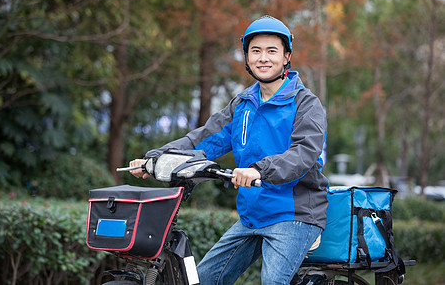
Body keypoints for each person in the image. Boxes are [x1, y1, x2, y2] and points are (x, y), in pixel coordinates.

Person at [129, 15, 329, 285]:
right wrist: (156, 158)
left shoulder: (306, 103)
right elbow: (202, 140)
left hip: (294, 215)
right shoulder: (242, 104)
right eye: (255, 51)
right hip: (252, 215)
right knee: (204, 280)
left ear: (286, 57)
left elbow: (304, 153)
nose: (263, 58)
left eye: (272, 51)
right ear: (247, 58)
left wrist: (259, 170)